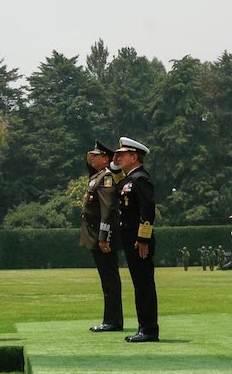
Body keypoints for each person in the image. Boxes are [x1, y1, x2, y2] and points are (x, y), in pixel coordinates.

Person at [113, 136, 159, 343]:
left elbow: (147, 210)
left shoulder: (140, 179)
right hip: (130, 238)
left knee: (144, 285)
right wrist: (115, 165)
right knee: (139, 284)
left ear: (134, 157)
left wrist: (143, 238)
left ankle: (149, 330)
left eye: (122, 155)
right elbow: (117, 188)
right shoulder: (130, 179)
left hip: (139, 241)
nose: (118, 157)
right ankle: (144, 327)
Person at [80, 140, 124, 333]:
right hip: (96, 235)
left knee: (109, 280)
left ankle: (112, 321)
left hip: (102, 237)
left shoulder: (106, 178)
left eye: (95, 156)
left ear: (105, 159)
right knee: (107, 279)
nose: (92, 158)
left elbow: (107, 210)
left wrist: (104, 237)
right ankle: (111, 319)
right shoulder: (98, 176)